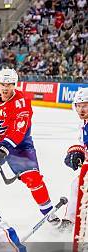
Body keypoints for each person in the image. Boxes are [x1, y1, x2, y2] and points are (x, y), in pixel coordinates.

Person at [0, 68, 56, 221]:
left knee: (33, 179)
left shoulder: (22, 104)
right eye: (2, 84)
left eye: (9, 84)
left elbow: (18, 132)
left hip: (19, 147)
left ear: (15, 85)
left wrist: (4, 148)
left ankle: (50, 215)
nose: (5, 88)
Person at [60, 88, 88, 229]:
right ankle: (71, 220)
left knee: (79, 185)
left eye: (85, 105)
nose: (81, 109)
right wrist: (76, 152)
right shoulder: (84, 124)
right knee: (77, 185)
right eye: (79, 105)